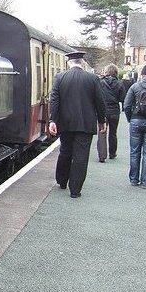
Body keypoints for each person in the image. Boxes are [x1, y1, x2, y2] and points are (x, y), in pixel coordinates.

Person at [49, 51, 106, 198]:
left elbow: (55, 100)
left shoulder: (60, 77)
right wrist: (102, 121)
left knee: (65, 151)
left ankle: (62, 181)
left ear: (69, 63)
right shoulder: (93, 78)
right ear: (82, 63)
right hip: (86, 124)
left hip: (65, 123)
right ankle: (75, 190)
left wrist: (52, 120)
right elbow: (100, 102)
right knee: (81, 157)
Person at [96, 64, 125, 162]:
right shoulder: (120, 83)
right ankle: (112, 153)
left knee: (102, 132)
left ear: (106, 72)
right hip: (114, 112)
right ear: (116, 72)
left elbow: (97, 97)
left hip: (103, 111)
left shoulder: (101, 82)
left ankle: (102, 156)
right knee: (113, 133)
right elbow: (122, 99)